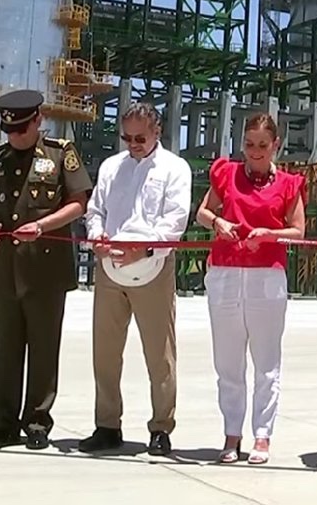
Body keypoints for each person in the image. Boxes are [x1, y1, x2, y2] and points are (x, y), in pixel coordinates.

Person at [0, 89, 93, 451]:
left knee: (43, 349)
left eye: (22, 128)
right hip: (5, 268)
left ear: (38, 120)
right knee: (5, 351)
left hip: (45, 270)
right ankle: (3, 423)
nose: (15, 135)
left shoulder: (60, 155)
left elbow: (78, 204)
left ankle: (37, 422)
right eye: (9, 130)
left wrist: (43, 226)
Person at [80, 103, 192, 456]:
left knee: (159, 355)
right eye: (126, 138)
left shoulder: (175, 168)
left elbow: (174, 220)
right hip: (110, 270)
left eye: (140, 138)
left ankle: (161, 427)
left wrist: (141, 251)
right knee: (106, 353)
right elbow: (95, 209)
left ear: (157, 131)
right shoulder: (112, 166)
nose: (133, 144)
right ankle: (107, 425)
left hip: (153, 268)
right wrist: (97, 237)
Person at [195, 112, 306, 464]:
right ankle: (231, 433)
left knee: (266, 361)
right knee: (227, 362)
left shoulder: (289, 183)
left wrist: (271, 234)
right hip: (225, 273)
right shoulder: (225, 173)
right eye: (249, 144)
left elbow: (298, 231)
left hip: (266, 277)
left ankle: (262, 434)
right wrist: (218, 221)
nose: (255, 152)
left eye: (262, 145)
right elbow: (201, 213)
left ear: (276, 145)